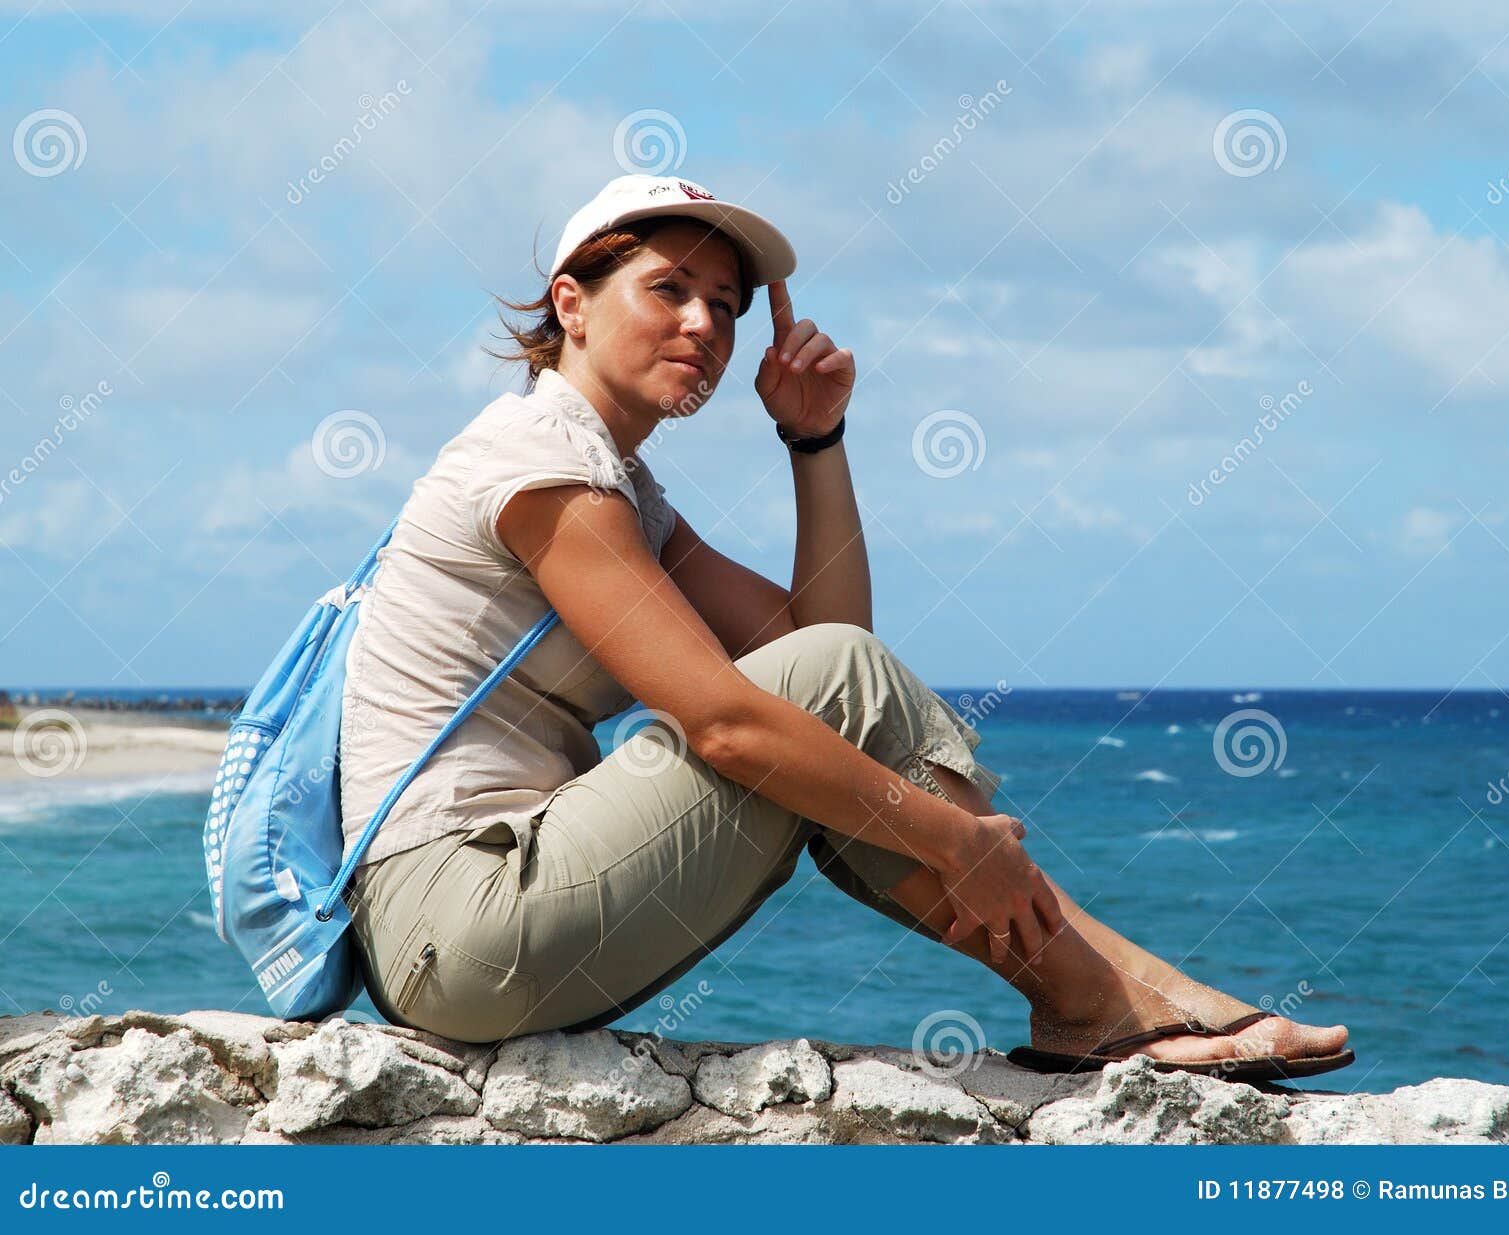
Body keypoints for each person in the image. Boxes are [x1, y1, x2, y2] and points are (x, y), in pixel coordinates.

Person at [339, 173, 1353, 1080]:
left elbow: (823, 650)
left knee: (826, 689)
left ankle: (1101, 993)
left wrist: (813, 435)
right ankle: (1101, 994)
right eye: (669, 289)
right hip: (460, 921)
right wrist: (958, 840)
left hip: (492, 929)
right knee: (802, 712)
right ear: (572, 302)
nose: (704, 324)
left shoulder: (622, 485)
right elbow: (740, 720)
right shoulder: (539, 461)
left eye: (726, 307)